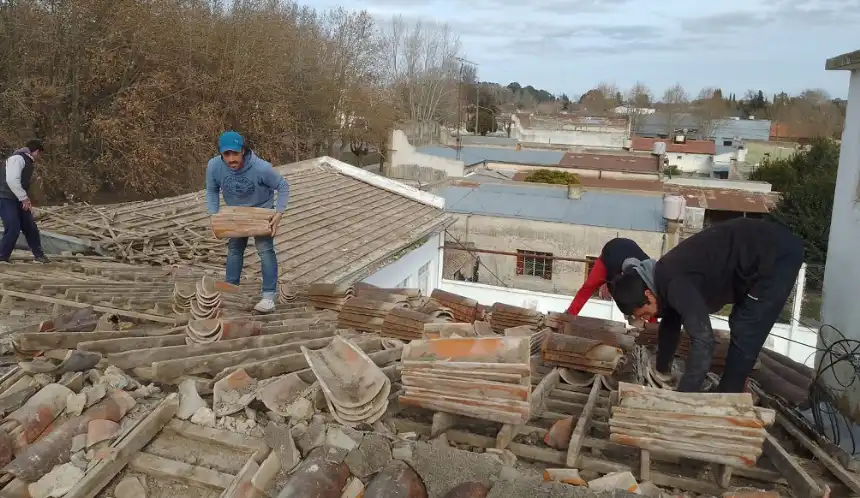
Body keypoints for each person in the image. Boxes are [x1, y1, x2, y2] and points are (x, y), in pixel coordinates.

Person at [609, 217, 804, 393]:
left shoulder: (675, 284)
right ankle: (728, 389)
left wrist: (683, 397)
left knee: (746, 328)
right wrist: (662, 370)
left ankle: (728, 395)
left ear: (648, 295)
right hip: (756, 251)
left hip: (776, 257)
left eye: (642, 313)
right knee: (740, 321)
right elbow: (670, 323)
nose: (645, 319)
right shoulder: (660, 279)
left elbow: (704, 341)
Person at [206, 131, 289, 313]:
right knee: (234, 250)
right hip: (235, 213)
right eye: (226, 154)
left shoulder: (261, 168)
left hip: (260, 211)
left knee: (265, 251)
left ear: (242, 150)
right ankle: (230, 291)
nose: (231, 159)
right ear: (221, 153)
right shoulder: (214, 166)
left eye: (235, 153)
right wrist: (214, 216)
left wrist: (279, 213)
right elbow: (212, 190)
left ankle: (268, 297)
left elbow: (282, 186)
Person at [565, 238, 656, 324]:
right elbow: (619, 295)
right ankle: (570, 314)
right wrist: (630, 314)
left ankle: (654, 325)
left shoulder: (649, 273)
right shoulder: (614, 272)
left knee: (651, 301)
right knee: (589, 286)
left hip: (626, 255)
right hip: (609, 257)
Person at [0, 139, 49, 263]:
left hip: (17, 198)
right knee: (13, 227)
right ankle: (2, 256)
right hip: (6, 198)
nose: (40, 157)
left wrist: (22, 198)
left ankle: (39, 255)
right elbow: (12, 180)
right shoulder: (17, 159)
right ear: (36, 151)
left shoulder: (27, 161)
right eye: (40, 153)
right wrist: (24, 198)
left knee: (30, 227)